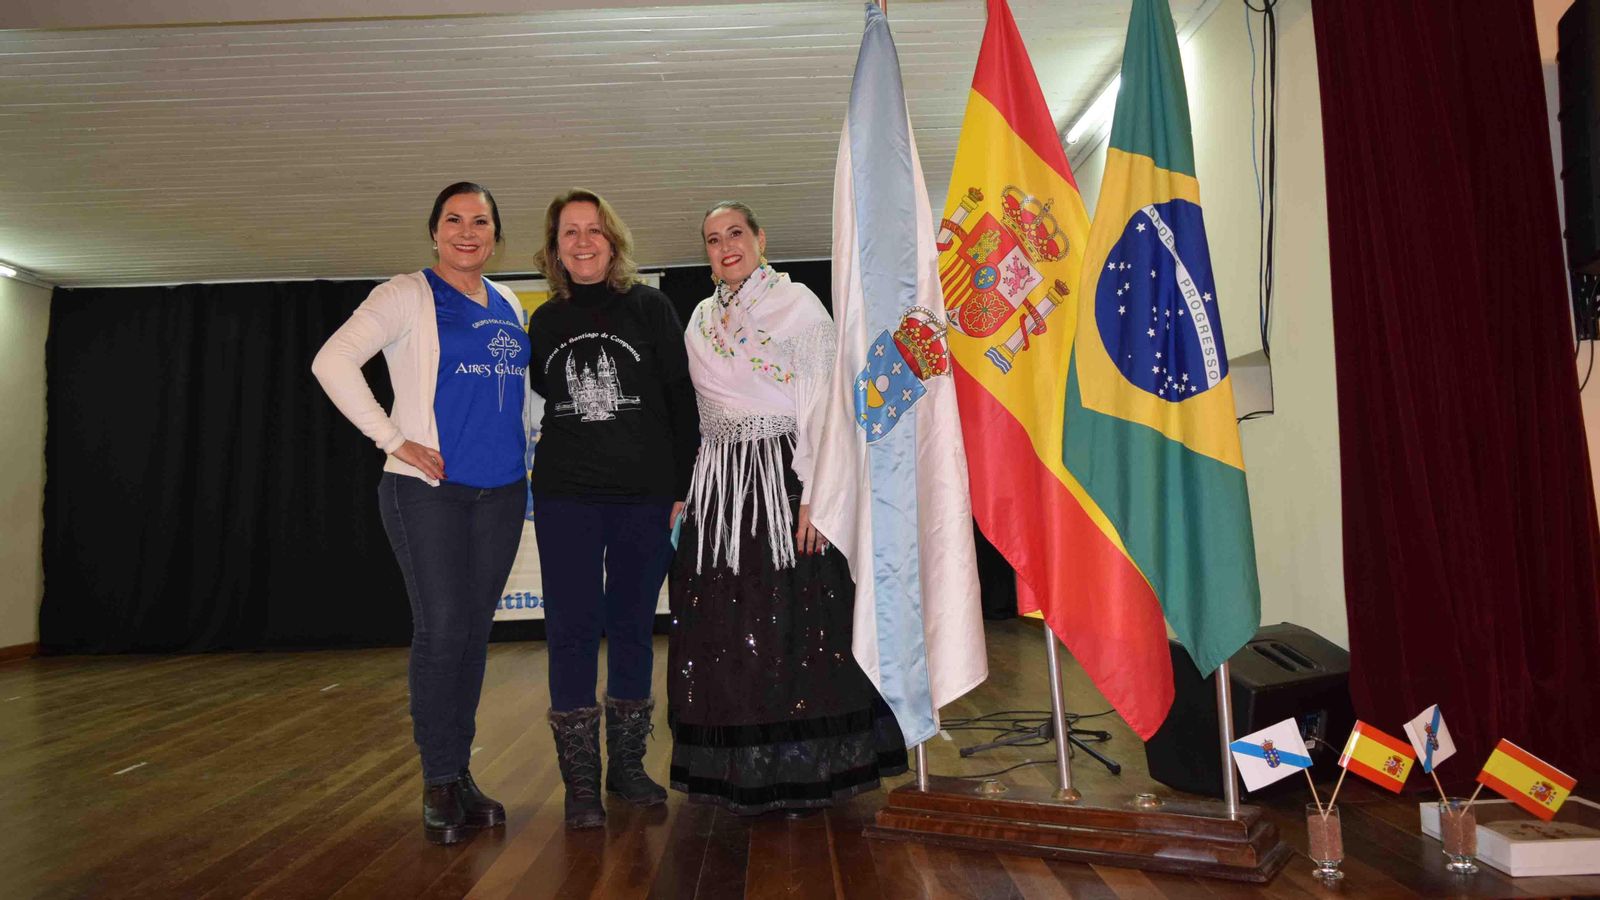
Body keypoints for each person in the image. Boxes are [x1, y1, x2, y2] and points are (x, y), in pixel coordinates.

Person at [667, 201, 907, 815]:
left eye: (735, 234)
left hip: (784, 477)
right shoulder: (699, 318)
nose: (726, 246)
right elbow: (701, 413)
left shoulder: (799, 306)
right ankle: (737, 769)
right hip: (720, 485)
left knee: (797, 622)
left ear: (760, 238)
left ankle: (806, 767)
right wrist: (691, 490)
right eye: (713, 239)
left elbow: (826, 405)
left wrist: (818, 496)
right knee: (726, 625)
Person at [312, 182, 532, 845]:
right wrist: (391, 438)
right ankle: (438, 781)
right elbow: (332, 361)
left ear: (496, 235)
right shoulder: (406, 294)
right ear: (434, 231)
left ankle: (459, 773)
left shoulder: (508, 302)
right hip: (428, 492)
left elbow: (515, 394)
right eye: (454, 220)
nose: (467, 231)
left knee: (471, 634)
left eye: (481, 221)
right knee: (441, 632)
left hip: (501, 494)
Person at [527, 189, 698, 829]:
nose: (583, 242)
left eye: (593, 230)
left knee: (630, 627)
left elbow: (681, 400)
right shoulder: (545, 321)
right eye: (569, 232)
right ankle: (580, 785)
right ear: (555, 248)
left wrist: (682, 486)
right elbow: (547, 392)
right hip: (566, 497)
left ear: (613, 240)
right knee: (570, 629)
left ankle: (626, 769)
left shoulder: (651, 307)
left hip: (644, 499)